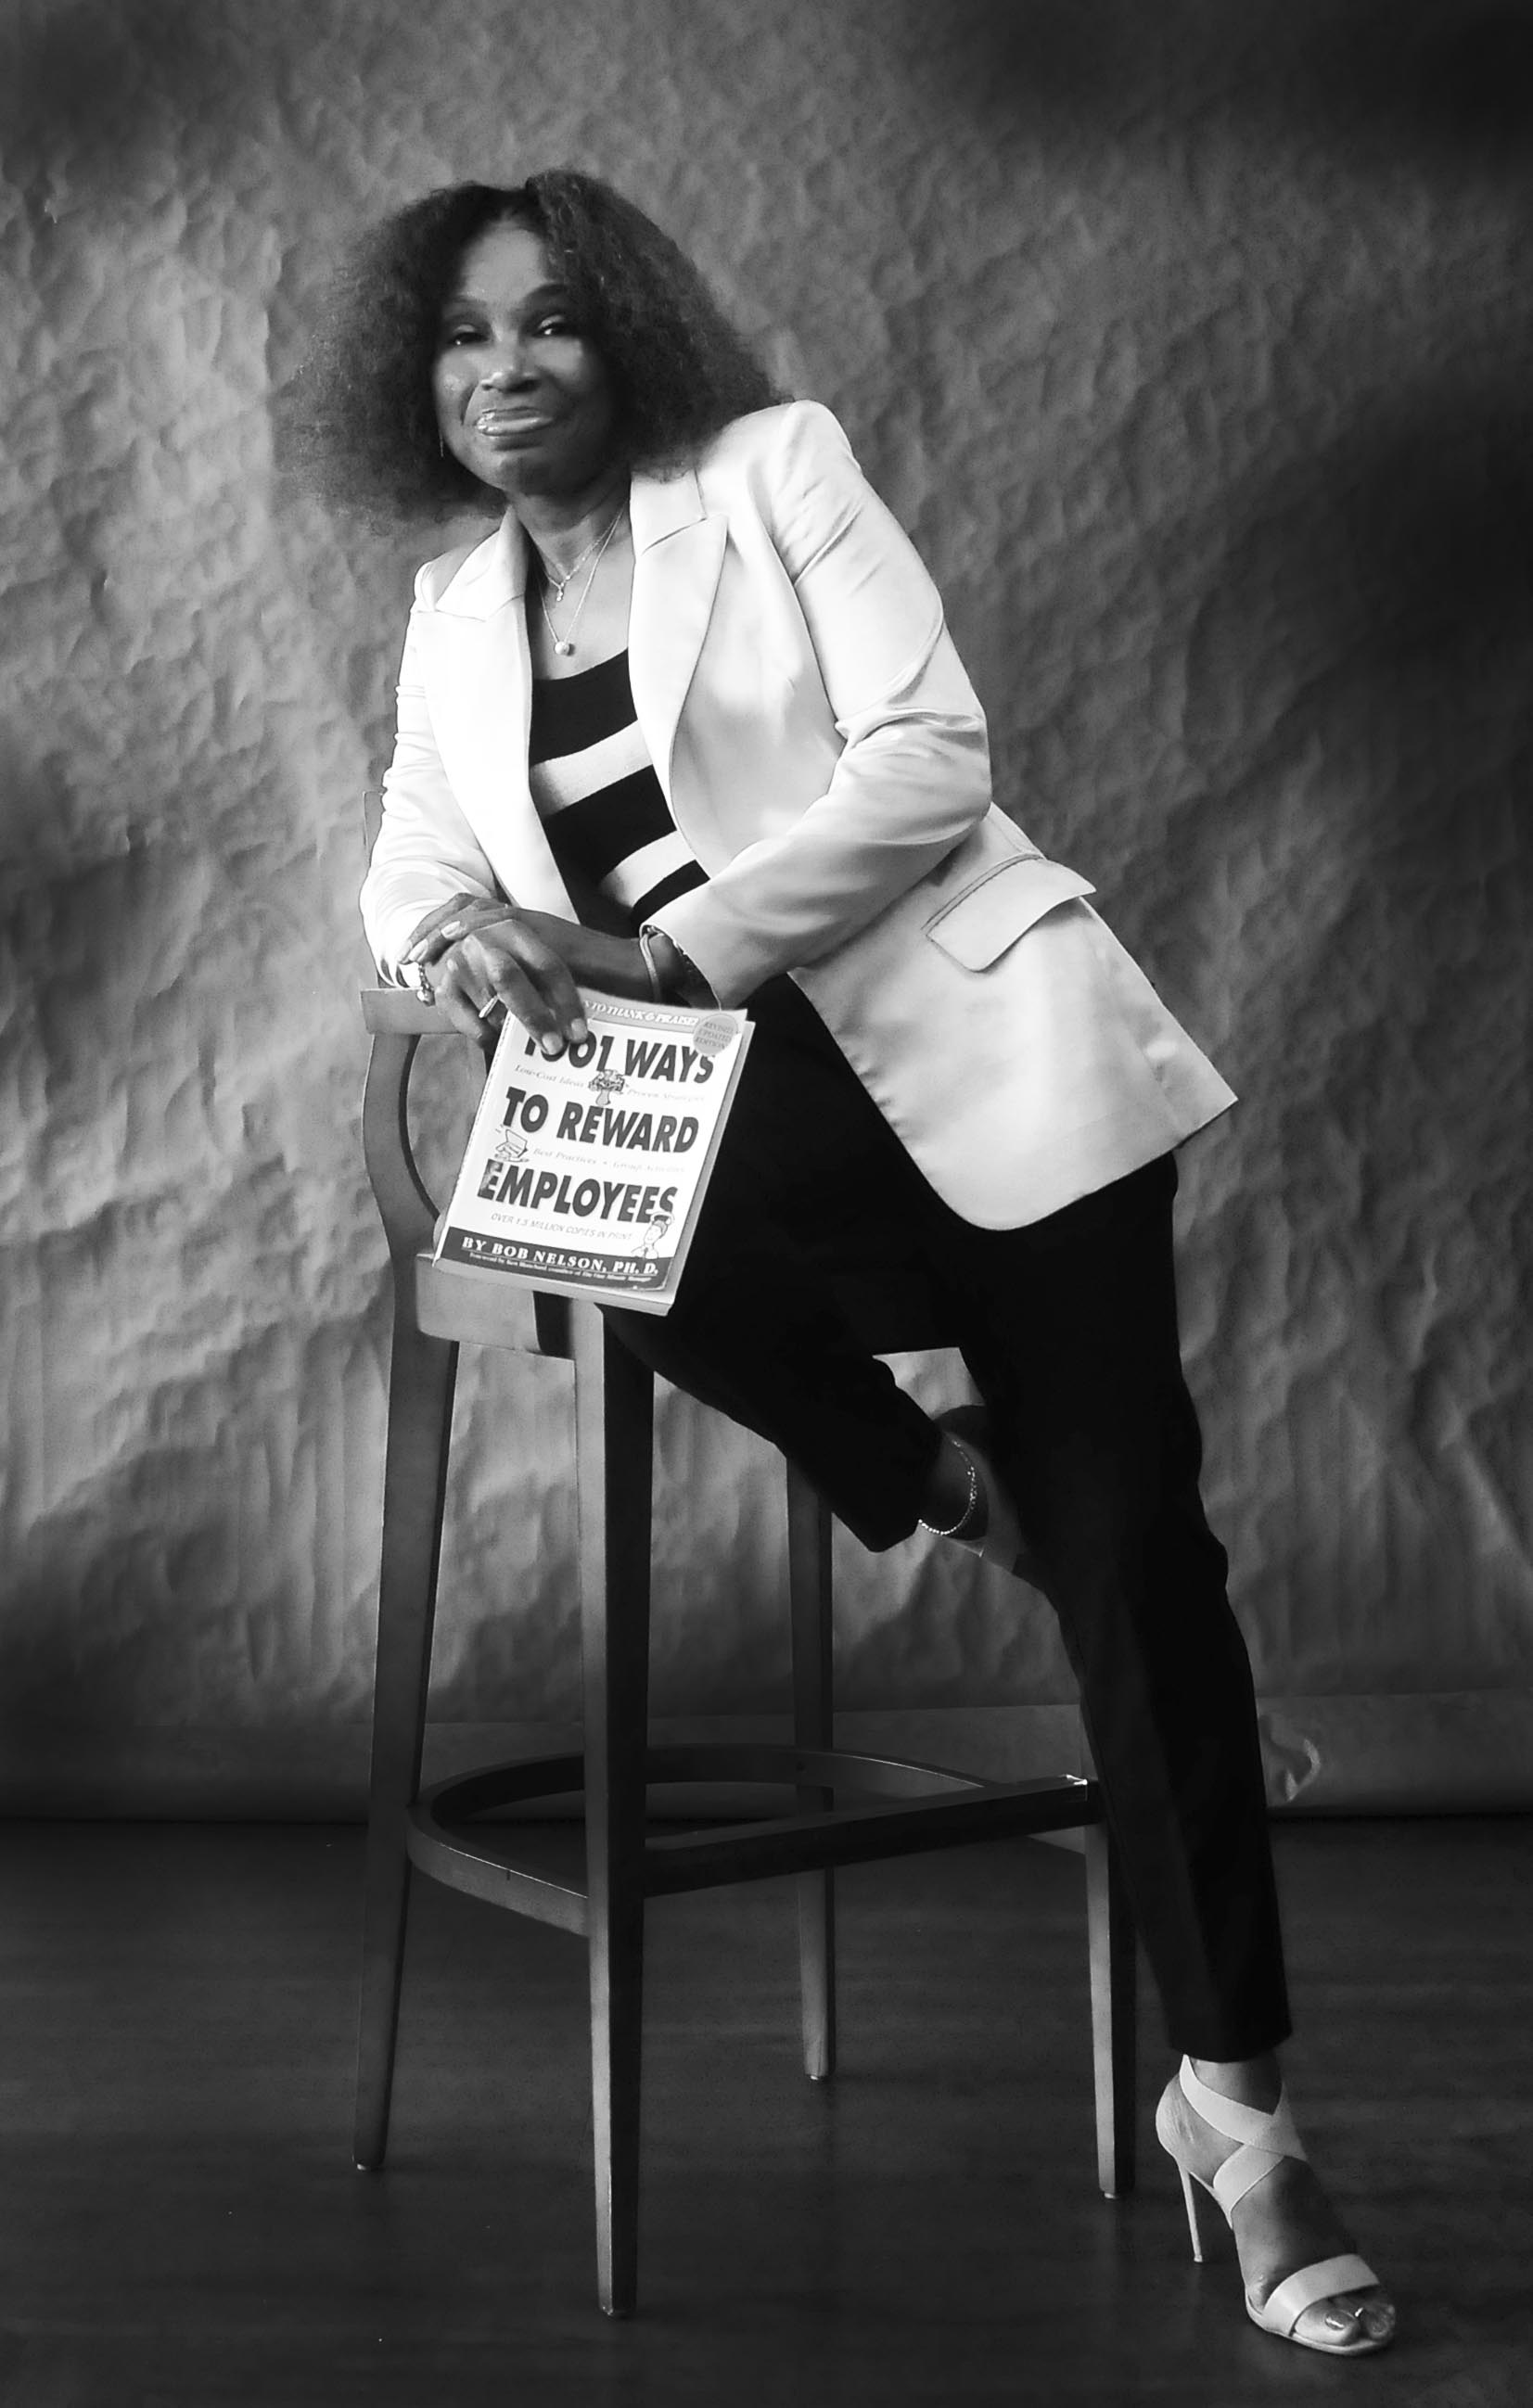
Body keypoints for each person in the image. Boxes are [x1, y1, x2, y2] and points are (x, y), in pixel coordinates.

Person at [300, 169, 1394, 2358]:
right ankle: (937, 1484)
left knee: (1138, 1563)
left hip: (992, 1066)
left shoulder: (770, 473)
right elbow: (408, 864)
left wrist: (650, 951)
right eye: (460, 337)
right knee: (587, 1201)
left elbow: (925, 763)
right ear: (415, 382)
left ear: (622, 333)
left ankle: (1239, 2119)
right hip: (734, 1134)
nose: (505, 369)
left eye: (547, 322)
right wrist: (461, 933)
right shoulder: (449, 612)